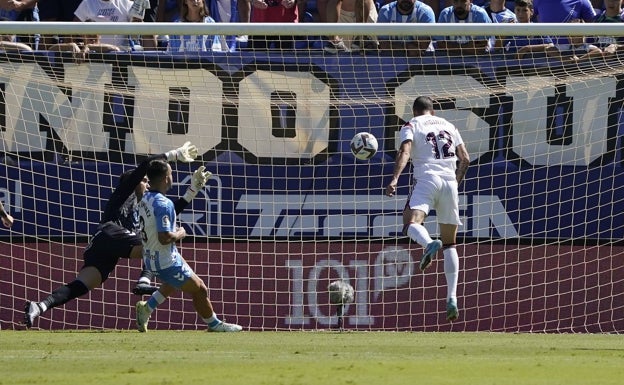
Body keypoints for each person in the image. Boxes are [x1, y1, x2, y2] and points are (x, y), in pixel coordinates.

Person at [23, 142, 201, 328]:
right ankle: (144, 280)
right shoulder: (126, 191)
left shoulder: (144, 206)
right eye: (145, 182)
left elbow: (169, 214)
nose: (147, 186)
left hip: (104, 246)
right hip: (109, 231)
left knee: (82, 284)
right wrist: (174, 154)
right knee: (157, 242)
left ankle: (40, 306)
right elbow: (145, 165)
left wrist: (191, 192)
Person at [385, 96, 470, 322]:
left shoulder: (411, 125)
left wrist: (394, 179)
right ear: (433, 111)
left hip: (427, 179)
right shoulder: (449, 126)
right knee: (451, 243)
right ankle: (452, 297)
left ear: (415, 111)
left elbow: (405, 152)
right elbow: (466, 159)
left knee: (411, 222)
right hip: (450, 183)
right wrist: (454, 184)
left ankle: (428, 243)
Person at [135, 160, 243, 332]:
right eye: (170, 174)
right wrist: (180, 233)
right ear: (165, 179)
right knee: (200, 289)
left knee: (173, 283)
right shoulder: (164, 203)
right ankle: (214, 325)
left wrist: (193, 190)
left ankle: (146, 308)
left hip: (151, 256)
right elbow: (164, 238)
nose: (172, 177)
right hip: (165, 260)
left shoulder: (144, 198)